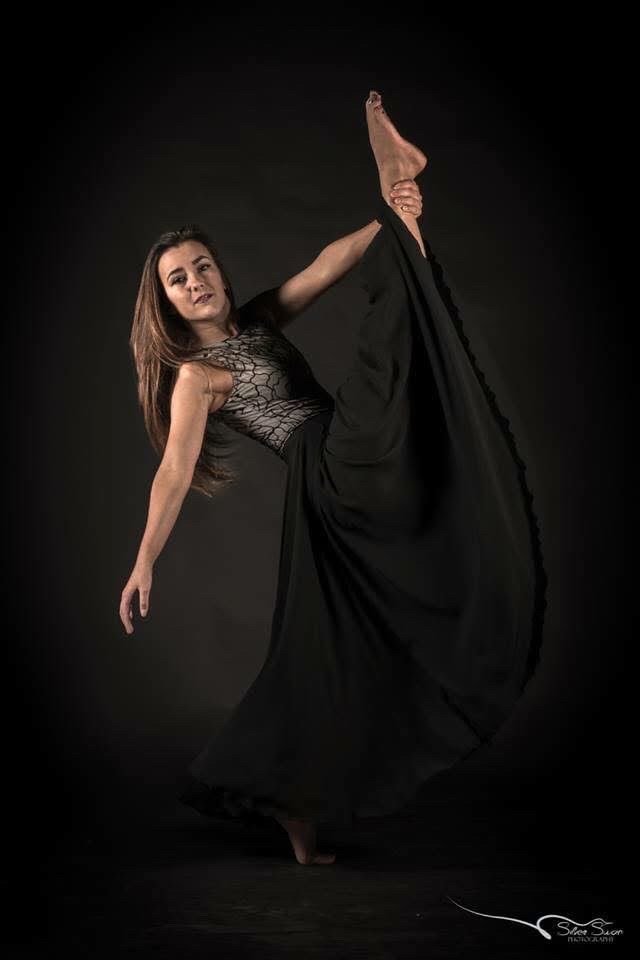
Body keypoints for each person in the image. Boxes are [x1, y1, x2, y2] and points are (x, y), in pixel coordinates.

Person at [120, 90, 548, 866]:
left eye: (202, 265)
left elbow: (327, 264)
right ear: (167, 304)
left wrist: (390, 215)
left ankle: (297, 811)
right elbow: (174, 469)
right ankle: (294, 809)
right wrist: (146, 557)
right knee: (390, 365)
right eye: (179, 279)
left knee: (326, 656)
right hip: (328, 468)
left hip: (340, 479)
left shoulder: (256, 319)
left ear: (219, 271)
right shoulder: (196, 376)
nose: (196, 281)